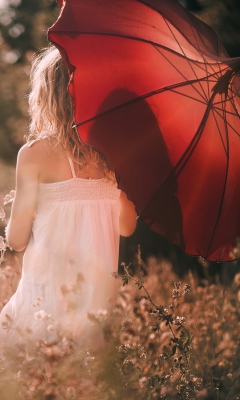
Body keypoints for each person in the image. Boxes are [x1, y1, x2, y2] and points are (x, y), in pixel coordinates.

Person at [0, 46, 136, 349]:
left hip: (43, 302)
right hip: (94, 311)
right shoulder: (116, 156)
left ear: (47, 97)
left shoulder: (34, 155)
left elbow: (16, 241)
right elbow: (126, 227)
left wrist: (20, 212)